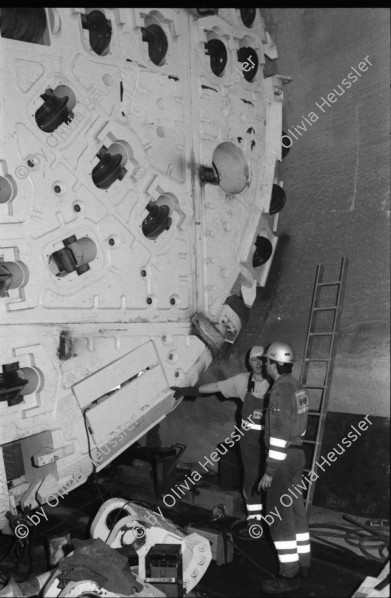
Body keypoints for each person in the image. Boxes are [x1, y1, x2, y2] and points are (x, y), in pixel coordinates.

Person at [171, 346, 270, 537]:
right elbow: (215, 386)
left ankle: (274, 522)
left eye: (262, 360)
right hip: (249, 441)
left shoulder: (275, 383)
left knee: (272, 481)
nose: (258, 364)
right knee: (250, 481)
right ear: (249, 362)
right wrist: (188, 391)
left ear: (268, 362)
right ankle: (254, 523)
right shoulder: (243, 380)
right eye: (254, 360)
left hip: (270, 440)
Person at [258, 341, 311, 594]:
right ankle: (304, 565)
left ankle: (288, 576)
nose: (264, 365)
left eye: (267, 361)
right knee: (297, 513)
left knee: (279, 519)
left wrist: (269, 471)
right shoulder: (297, 386)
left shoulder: (279, 391)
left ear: (274, 363)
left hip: (283, 459)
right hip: (298, 454)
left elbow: (278, 435)